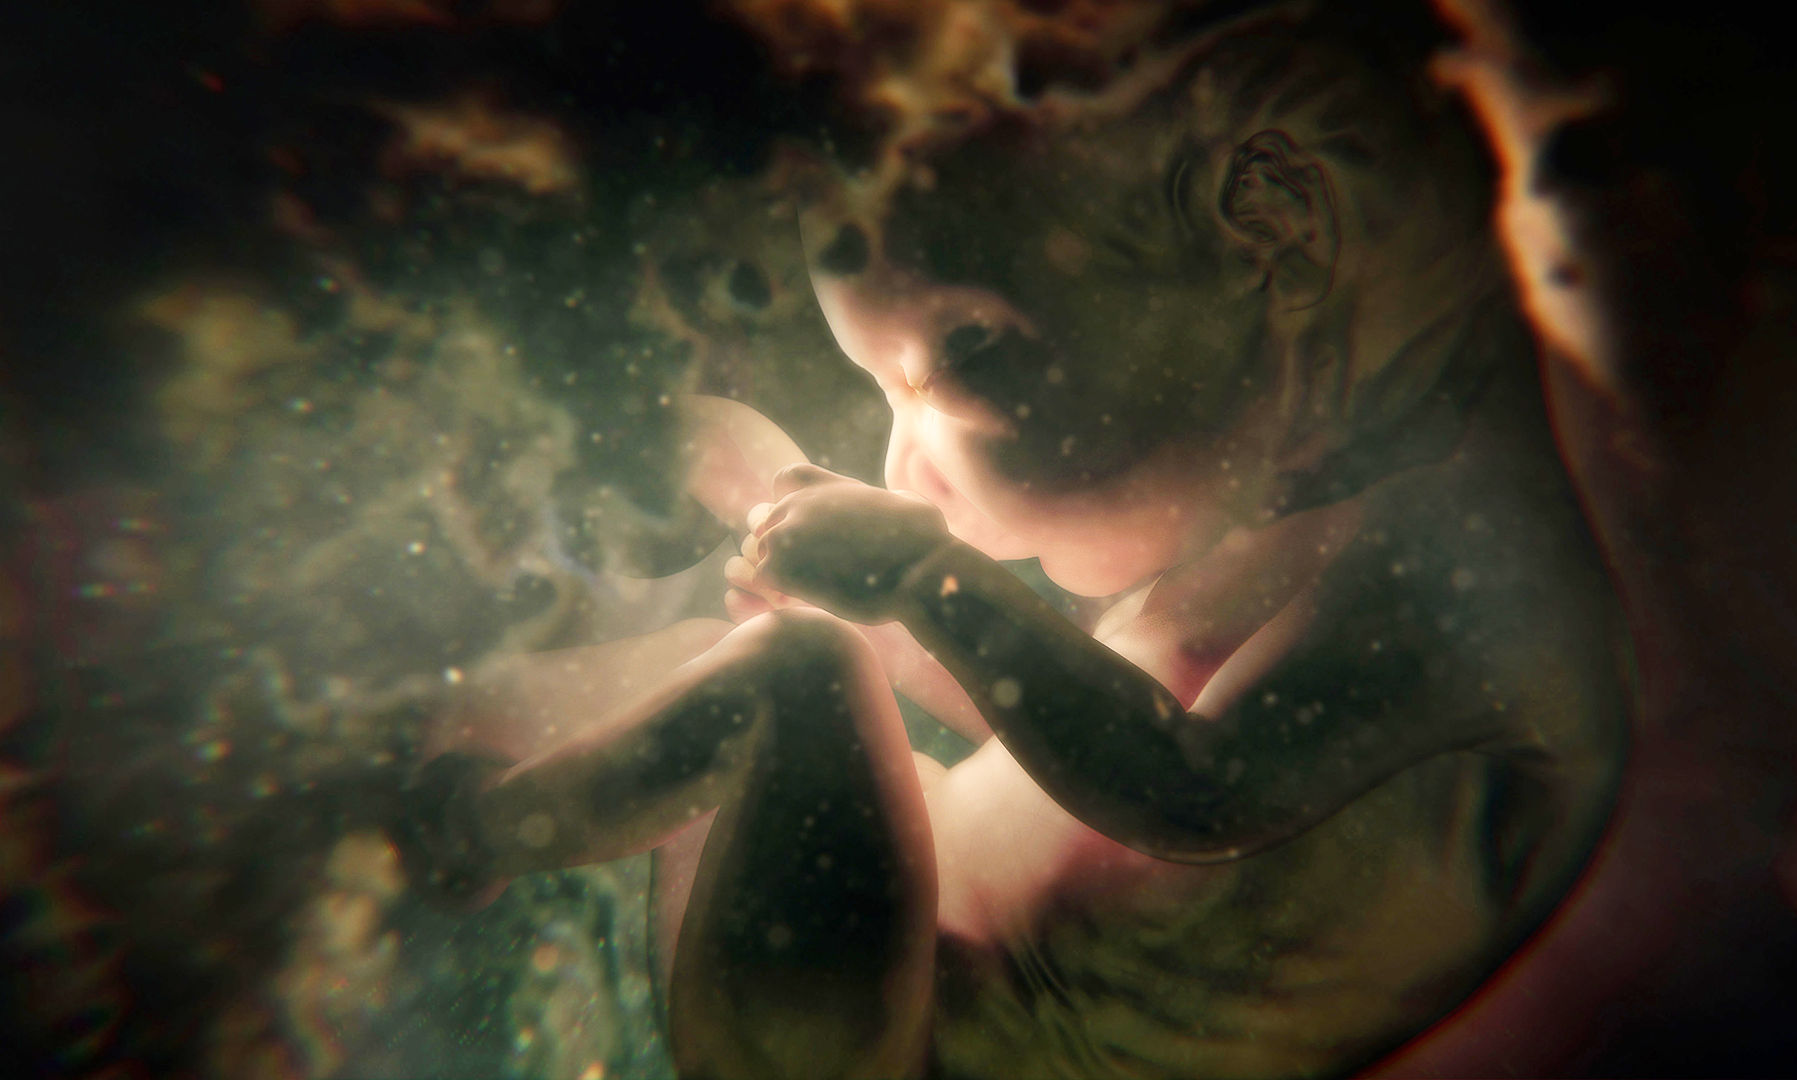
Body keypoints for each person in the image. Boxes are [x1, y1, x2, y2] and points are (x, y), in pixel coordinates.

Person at [395, 9, 1629, 1078]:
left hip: (889, 1037)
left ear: (1277, 226)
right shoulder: (1308, 499)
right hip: (851, 949)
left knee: (797, 673)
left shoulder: (1484, 578)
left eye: (957, 359)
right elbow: (1047, 725)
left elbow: (1196, 794)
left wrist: (922, 578)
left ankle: (466, 831)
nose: (908, 467)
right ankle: (437, 733)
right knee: (779, 643)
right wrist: (807, 524)